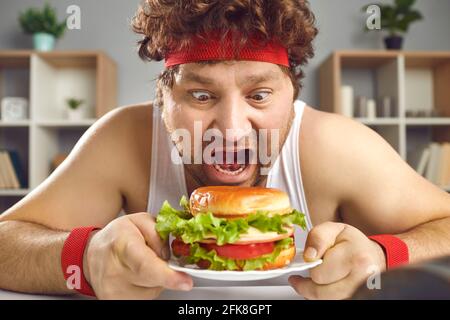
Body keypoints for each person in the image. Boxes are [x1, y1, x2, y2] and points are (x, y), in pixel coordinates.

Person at [1, 0, 449, 300]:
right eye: (201, 96)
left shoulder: (337, 146)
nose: (232, 132)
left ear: (290, 95)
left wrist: (383, 255)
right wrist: (85, 256)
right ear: (163, 100)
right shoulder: (123, 138)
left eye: (258, 96)